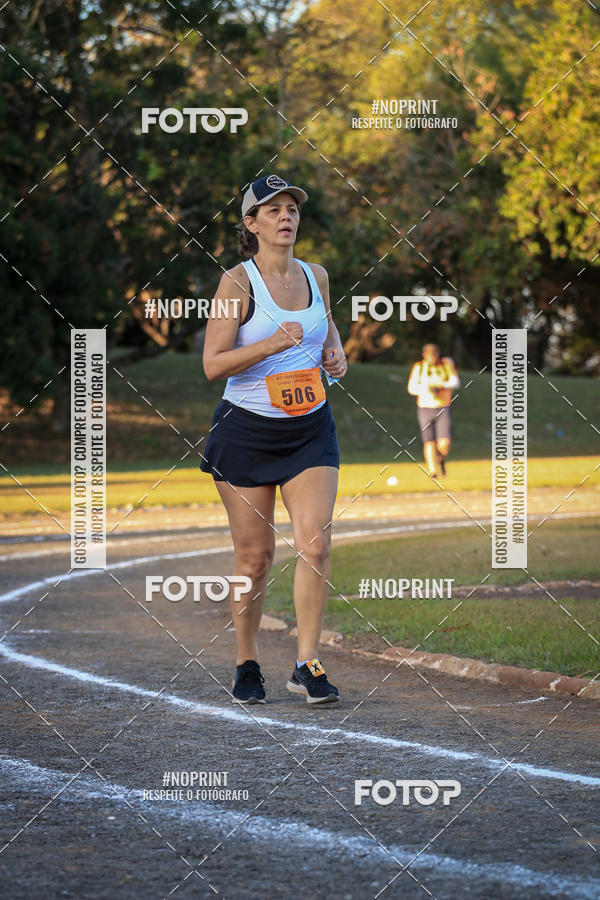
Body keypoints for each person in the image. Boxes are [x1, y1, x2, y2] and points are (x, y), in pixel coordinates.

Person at [200, 174, 347, 706]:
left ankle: (307, 664)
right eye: (272, 209)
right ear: (251, 223)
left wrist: (337, 356)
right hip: (247, 433)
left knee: (316, 543)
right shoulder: (236, 283)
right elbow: (213, 364)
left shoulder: (317, 276)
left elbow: (326, 333)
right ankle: (246, 661)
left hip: (310, 428)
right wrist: (266, 344)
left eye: (291, 208)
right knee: (254, 557)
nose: (285, 216)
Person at [407, 343, 460, 478]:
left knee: (444, 444)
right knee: (429, 441)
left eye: (434, 356)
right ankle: (433, 471)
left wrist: (441, 385)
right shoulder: (419, 367)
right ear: (425, 356)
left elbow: (455, 382)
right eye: (430, 356)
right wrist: (427, 388)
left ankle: (441, 458)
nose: (432, 359)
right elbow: (411, 388)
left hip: (443, 406)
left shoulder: (446, 364)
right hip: (425, 407)